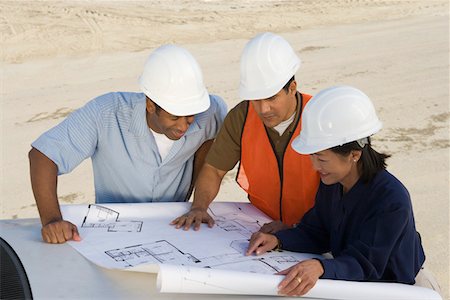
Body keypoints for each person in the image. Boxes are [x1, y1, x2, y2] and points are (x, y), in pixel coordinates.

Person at [246, 86, 435, 296]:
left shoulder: (391, 199)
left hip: (402, 289)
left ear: (354, 154)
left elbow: (366, 263)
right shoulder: (333, 182)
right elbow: (317, 231)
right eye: (312, 157)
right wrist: (280, 240)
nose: (315, 167)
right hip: (355, 282)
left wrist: (321, 267)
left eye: (322, 158)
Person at [29, 45, 227, 244]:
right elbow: (43, 156)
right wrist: (52, 220)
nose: (184, 125)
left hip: (176, 229)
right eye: (175, 116)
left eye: (190, 116)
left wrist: (198, 205)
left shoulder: (211, 112)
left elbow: (211, 145)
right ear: (151, 105)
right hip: (112, 232)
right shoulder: (105, 112)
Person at [172, 32, 320, 232]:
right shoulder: (241, 117)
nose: (263, 109)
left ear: (292, 88)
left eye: (271, 98)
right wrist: (199, 207)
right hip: (262, 223)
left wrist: (301, 230)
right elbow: (214, 170)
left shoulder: (320, 116)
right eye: (256, 99)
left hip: (315, 230)